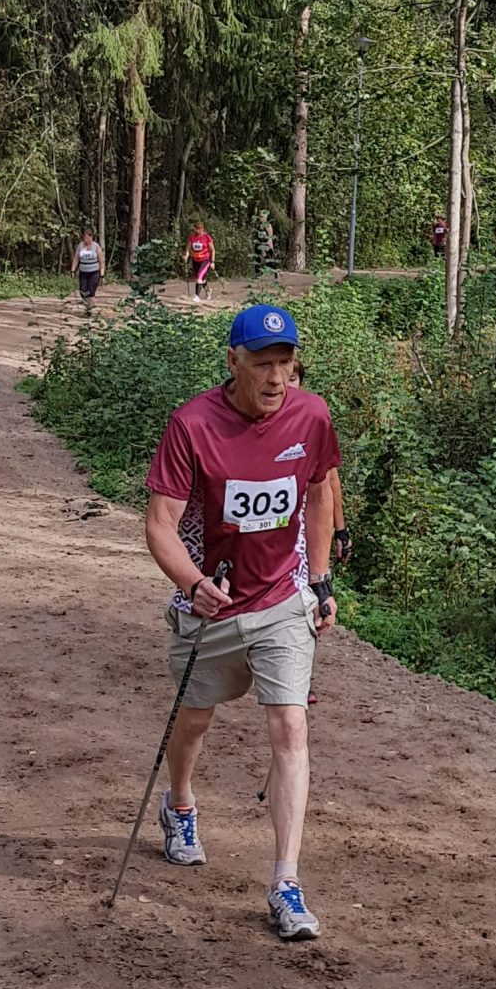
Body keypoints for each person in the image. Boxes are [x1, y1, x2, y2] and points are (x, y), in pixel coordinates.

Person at [145, 303, 340, 941]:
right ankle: (180, 804)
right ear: (233, 362)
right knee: (194, 721)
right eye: (263, 364)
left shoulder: (311, 415)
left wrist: (320, 581)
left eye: (286, 362)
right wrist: (193, 584)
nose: (277, 376)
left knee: (290, 727)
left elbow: (320, 492)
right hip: (212, 603)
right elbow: (160, 526)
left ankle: (286, 882)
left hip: (282, 598)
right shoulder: (192, 424)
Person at [289, 357, 351, 706]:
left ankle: (300, 677)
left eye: (294, 377)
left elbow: (330, 483)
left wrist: (340, 530)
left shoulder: (313, 421)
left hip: (307, 528)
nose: (287, 383)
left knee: (313, 597)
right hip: (274, 529)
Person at [70, 228, 105, 307]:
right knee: (82, 290)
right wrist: (73, 270)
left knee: (91, 290)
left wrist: (102, 274)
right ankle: (87, 302)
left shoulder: (96, 246)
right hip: (83, 271)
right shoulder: (80, 246)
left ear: (91, 237)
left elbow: (101, 261)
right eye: (85, 238)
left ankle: (90, 305)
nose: (86, 240)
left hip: (94, 271)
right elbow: (76, 259)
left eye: (87, 238)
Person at [183, 221, 215, 303]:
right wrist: (186, 255)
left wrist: (212, 262)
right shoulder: (192, 237)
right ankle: (208, 290)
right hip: (195, 260)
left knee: (199, 277)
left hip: (205, 260)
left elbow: (212, 250)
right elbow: (188, 249)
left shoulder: (207, 237)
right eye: (196, 229)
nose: (197, 230)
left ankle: (197, 296)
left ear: (202, 229)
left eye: (199, 229)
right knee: (200, 279)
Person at [253, 209, 278, 277]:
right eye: (260, 217)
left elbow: (270, 237)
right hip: (259, 244)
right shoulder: (259, 225)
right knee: (257, 258)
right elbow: (258, 235)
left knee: (269, 260)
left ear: (265, 217)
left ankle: (275, 271)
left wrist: (265, 248)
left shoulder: (268, 226)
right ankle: (257, 273)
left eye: (262, 217)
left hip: (266, 245)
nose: (261, 218)